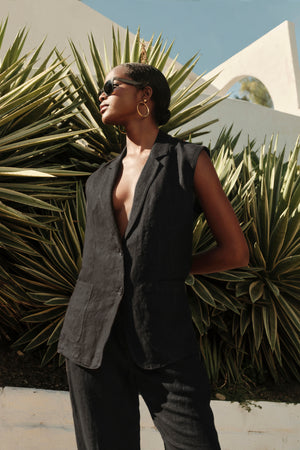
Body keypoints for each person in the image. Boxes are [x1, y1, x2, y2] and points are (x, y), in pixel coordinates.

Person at [58, 63, 249, 450]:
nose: (102, 94)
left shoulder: (188, 161)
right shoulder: (97, 180)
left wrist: (175, 267)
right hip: (91, 339)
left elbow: (236, 252)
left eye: (112, 85)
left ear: (145, 95)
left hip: (164, 340)